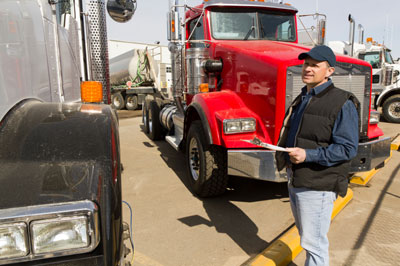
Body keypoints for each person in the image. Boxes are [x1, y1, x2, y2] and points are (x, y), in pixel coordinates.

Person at [276, 45, 359, 266]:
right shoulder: (305, 96)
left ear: (329, 71)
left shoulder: (342, 102)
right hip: (298, 179)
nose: (308, 69)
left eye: (315, 65)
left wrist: (308, 155)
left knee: (314, 245)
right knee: (308, 240)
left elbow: (348, 148)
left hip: (318, 185)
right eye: (306, 64)